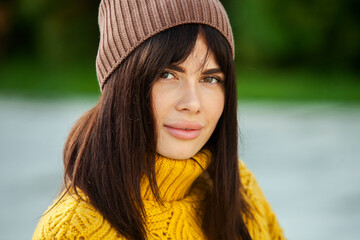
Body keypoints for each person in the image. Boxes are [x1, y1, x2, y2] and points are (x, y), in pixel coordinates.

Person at [33, 0, 285, 239]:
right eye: (167, 74)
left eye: (210, 79)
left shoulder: (241, 189)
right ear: (122, 84)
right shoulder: (72, 231)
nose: (192, 104)